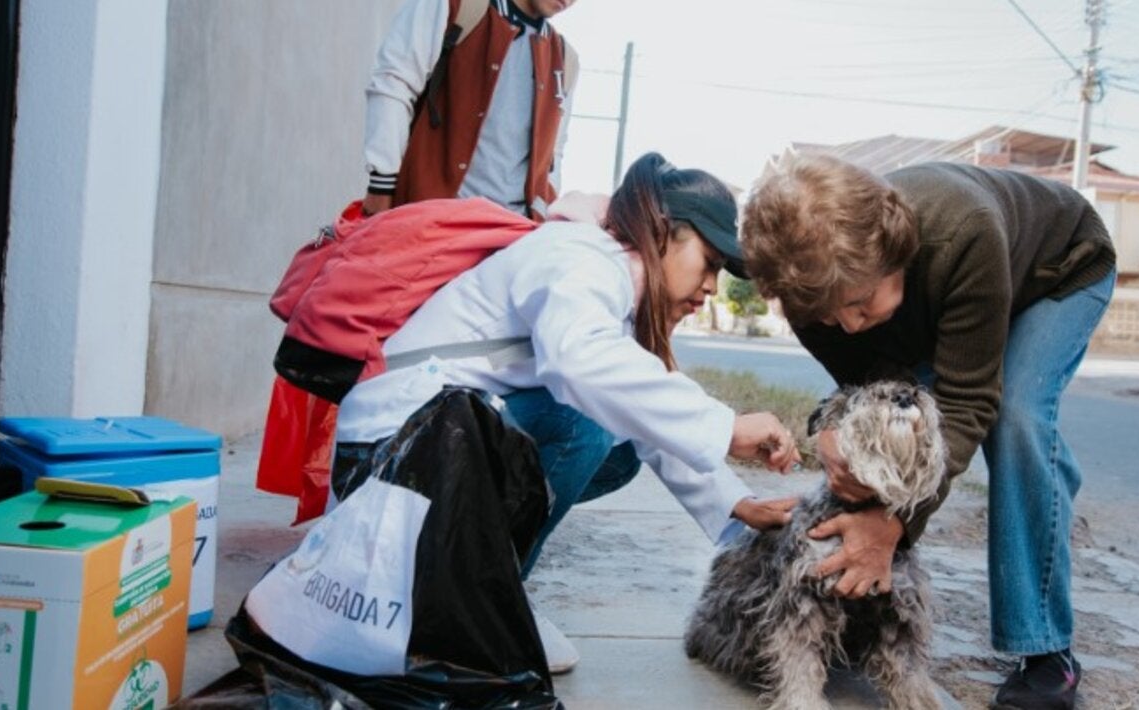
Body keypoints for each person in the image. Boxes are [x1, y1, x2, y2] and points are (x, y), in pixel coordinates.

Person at [333, 152, 802, 673]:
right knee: (587, 424)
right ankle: (483, 602)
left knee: (615, 450)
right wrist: (728, 427)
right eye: (710, 262)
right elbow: (581, 363)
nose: (713, 286)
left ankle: (466, 583)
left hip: (428, 452)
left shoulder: (607, 278)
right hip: (387, 460)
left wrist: (736, 502)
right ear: (664, 231)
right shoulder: (581, 259)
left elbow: (634, 399)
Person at [741, 153, 1116, 710]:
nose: (846, 327)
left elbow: (967, 403)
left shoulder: (963, 232)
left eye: (858, 303)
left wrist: (892, 525)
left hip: (1056, 271)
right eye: (828, 317)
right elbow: (870, 392)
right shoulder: (814, 291)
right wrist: (835, 431)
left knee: (1016, 414)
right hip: (939, 293)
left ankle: (1046, 652)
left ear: (890, 255)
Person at [362, 0, 577, 221]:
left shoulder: (564, 59)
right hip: (435, 222)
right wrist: (382, 185)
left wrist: (543, 217)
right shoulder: (456, 7)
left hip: (514, 238)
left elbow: (553, 153)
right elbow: (394, 84)